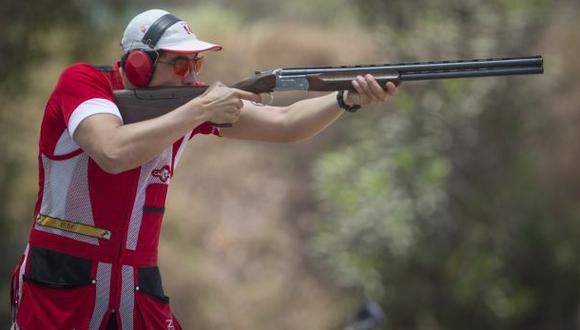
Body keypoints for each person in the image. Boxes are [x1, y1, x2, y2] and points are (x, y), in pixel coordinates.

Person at [9, 8, 398, 330]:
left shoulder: (185, 107)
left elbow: (287, 124)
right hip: (61, 284)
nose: (193, 76)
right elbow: (113, 152)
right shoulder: (83, 82)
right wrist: (199, 109)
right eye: (181, 65)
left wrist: (345, 98)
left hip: (137, 289)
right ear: (140, 64)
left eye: (197, 62)